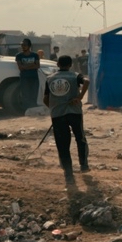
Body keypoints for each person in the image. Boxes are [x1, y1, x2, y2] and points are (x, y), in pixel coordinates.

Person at [43, 55, 90, 186]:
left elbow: (45, 99)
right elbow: (86, 81)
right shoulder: (75, 76)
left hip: (58, 115)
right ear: (70, 65)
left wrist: (54, 108)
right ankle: (84, 165)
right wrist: (79, 97)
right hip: (74, 112)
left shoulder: (49, 79)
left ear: (57, 64)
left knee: (62, 144)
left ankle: (68, 173)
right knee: (80, 138)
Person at [15, 38, 41, 113]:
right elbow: (20, 67)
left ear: (29, 46)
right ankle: (26, 109)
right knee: (25, 94)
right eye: (22, 45)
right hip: (24, 77)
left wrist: (25, 66)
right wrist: (32, 65)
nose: (23, 46)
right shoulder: (19, 56)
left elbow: (37, 66)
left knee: (34, 93)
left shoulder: (35, 55)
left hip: (34, 77)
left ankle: (34, 109)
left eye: (25, 45)